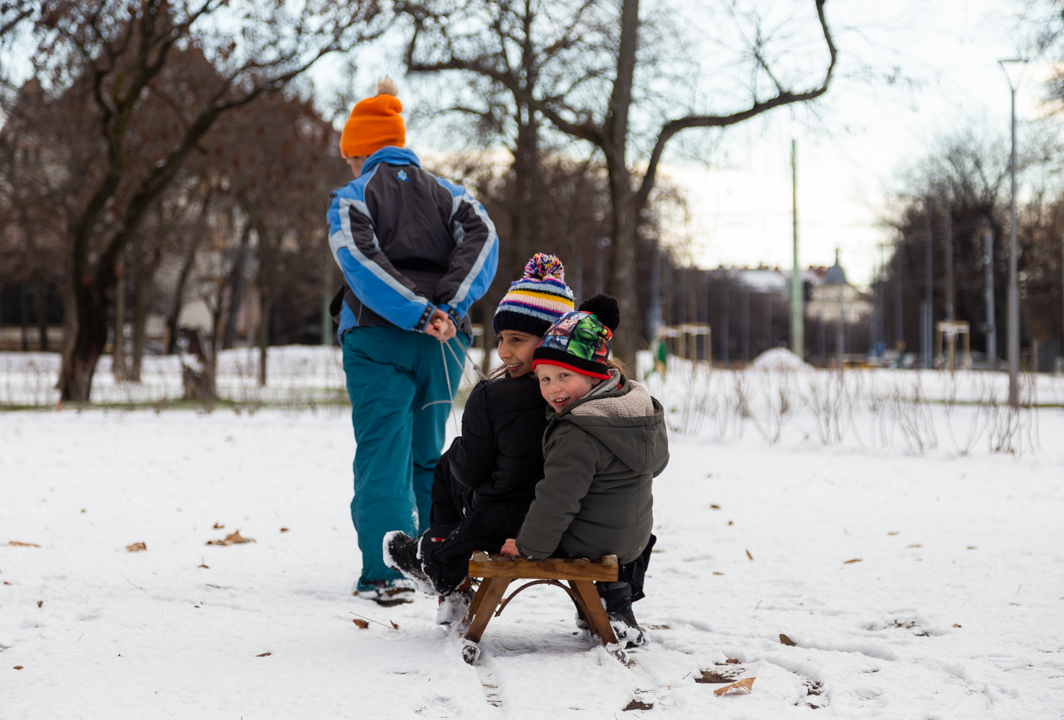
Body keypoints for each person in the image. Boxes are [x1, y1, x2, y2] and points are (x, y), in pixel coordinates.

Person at [328, 77, 498, 605]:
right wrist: (449, 307)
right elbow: (484, 239)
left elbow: (359, 261)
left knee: (382, 452)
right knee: (429, 452)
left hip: (379, 337)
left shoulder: (353, 197)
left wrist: (417, 311)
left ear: (358, 152)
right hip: (444, 343)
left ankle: (385, 570)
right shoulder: (451, 194)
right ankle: (436, 558)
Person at [383, 254, 575, 621]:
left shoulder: (493, 396)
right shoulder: (582, 393)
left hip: (507, 523)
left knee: (447, 467)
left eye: (517, 339)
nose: (504, 351)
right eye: (501, 338)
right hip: (569, 521)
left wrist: (460, 450)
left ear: (551, 338)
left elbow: (470, 474)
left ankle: (438, 566)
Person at [500, 294, 669, 648]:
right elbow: (659, 464)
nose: (554, 389)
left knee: (510, 510)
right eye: (544, 379)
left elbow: (557, 500)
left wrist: (529, 548)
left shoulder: (579, 430)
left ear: (594, 377)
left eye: (564, 375)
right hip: (636, 540)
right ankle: (616, 603)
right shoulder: (635, 410)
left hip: (593, 541)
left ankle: (608, 603)